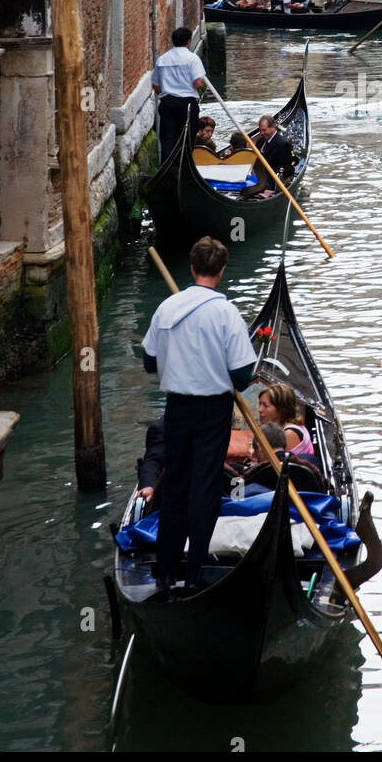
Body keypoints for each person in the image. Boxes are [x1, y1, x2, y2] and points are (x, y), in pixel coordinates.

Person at [142, 236, 257, 590]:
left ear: (192, 268)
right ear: (220, 272)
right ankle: (194, 575)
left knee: (176, 483)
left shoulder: (167, 308)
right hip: (212, 411)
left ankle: (164, 570)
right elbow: (242, 376)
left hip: (176, 409)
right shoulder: (226, 313)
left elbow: (149, 362)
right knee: (204, 488)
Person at [152, 27, 206, 162]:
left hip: (167, 103)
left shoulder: (162, 60)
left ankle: (168, 170)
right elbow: (198, 83)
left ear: (173, 42)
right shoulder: (192, 59)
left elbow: (156, 86)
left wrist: (166, 95)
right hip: (187, 105)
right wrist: (199, 81)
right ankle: (185, 166)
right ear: (189, 42)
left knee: (168, 139)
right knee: (187, 139)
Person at [257, 382, 315, 457]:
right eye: (260, 404)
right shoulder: (277, 430)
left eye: (265, 405)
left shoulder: (289, 434)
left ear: (280, 409)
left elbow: (283, 466)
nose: (260, 409)